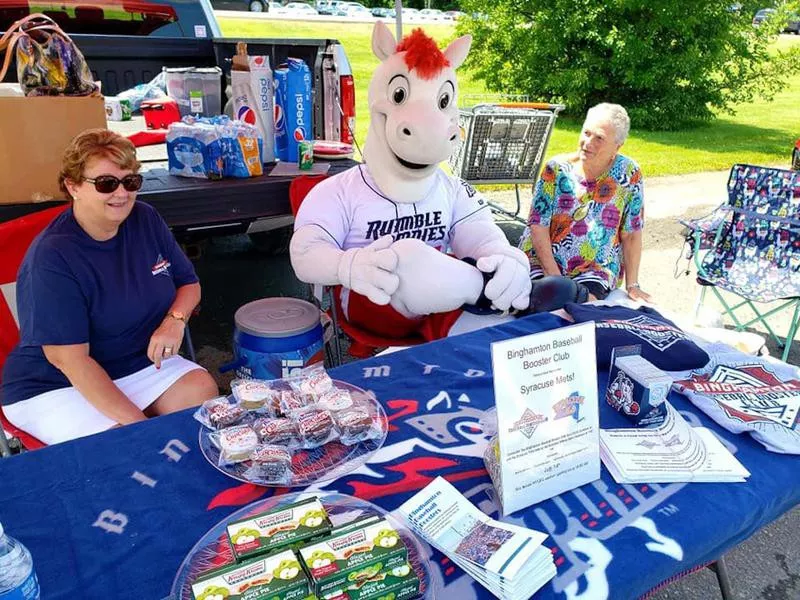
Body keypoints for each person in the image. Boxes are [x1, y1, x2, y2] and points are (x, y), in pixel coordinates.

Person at [1, 129, 219, 444]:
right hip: (55, 383)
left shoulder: (145, 218)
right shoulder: (52, 257)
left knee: (201, 394)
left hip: (134, 360)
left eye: (130, 182)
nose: (121, 193)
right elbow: (70, 361)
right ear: (72, 186)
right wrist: (141, 427)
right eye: (106, 183)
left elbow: (189, 283)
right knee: (126, 446)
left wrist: (175, 321)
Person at [519, 103, 652, 303]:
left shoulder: (629, 173)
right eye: (586, 133)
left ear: (617, 146)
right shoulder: (556, 170)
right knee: (539, 300)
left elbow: (631, 232)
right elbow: (538, 226)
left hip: (596, 268)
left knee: (584, 304)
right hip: (542, 261)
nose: (587, 143)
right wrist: (556, 279)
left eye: (599, 138)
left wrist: (633, 285)